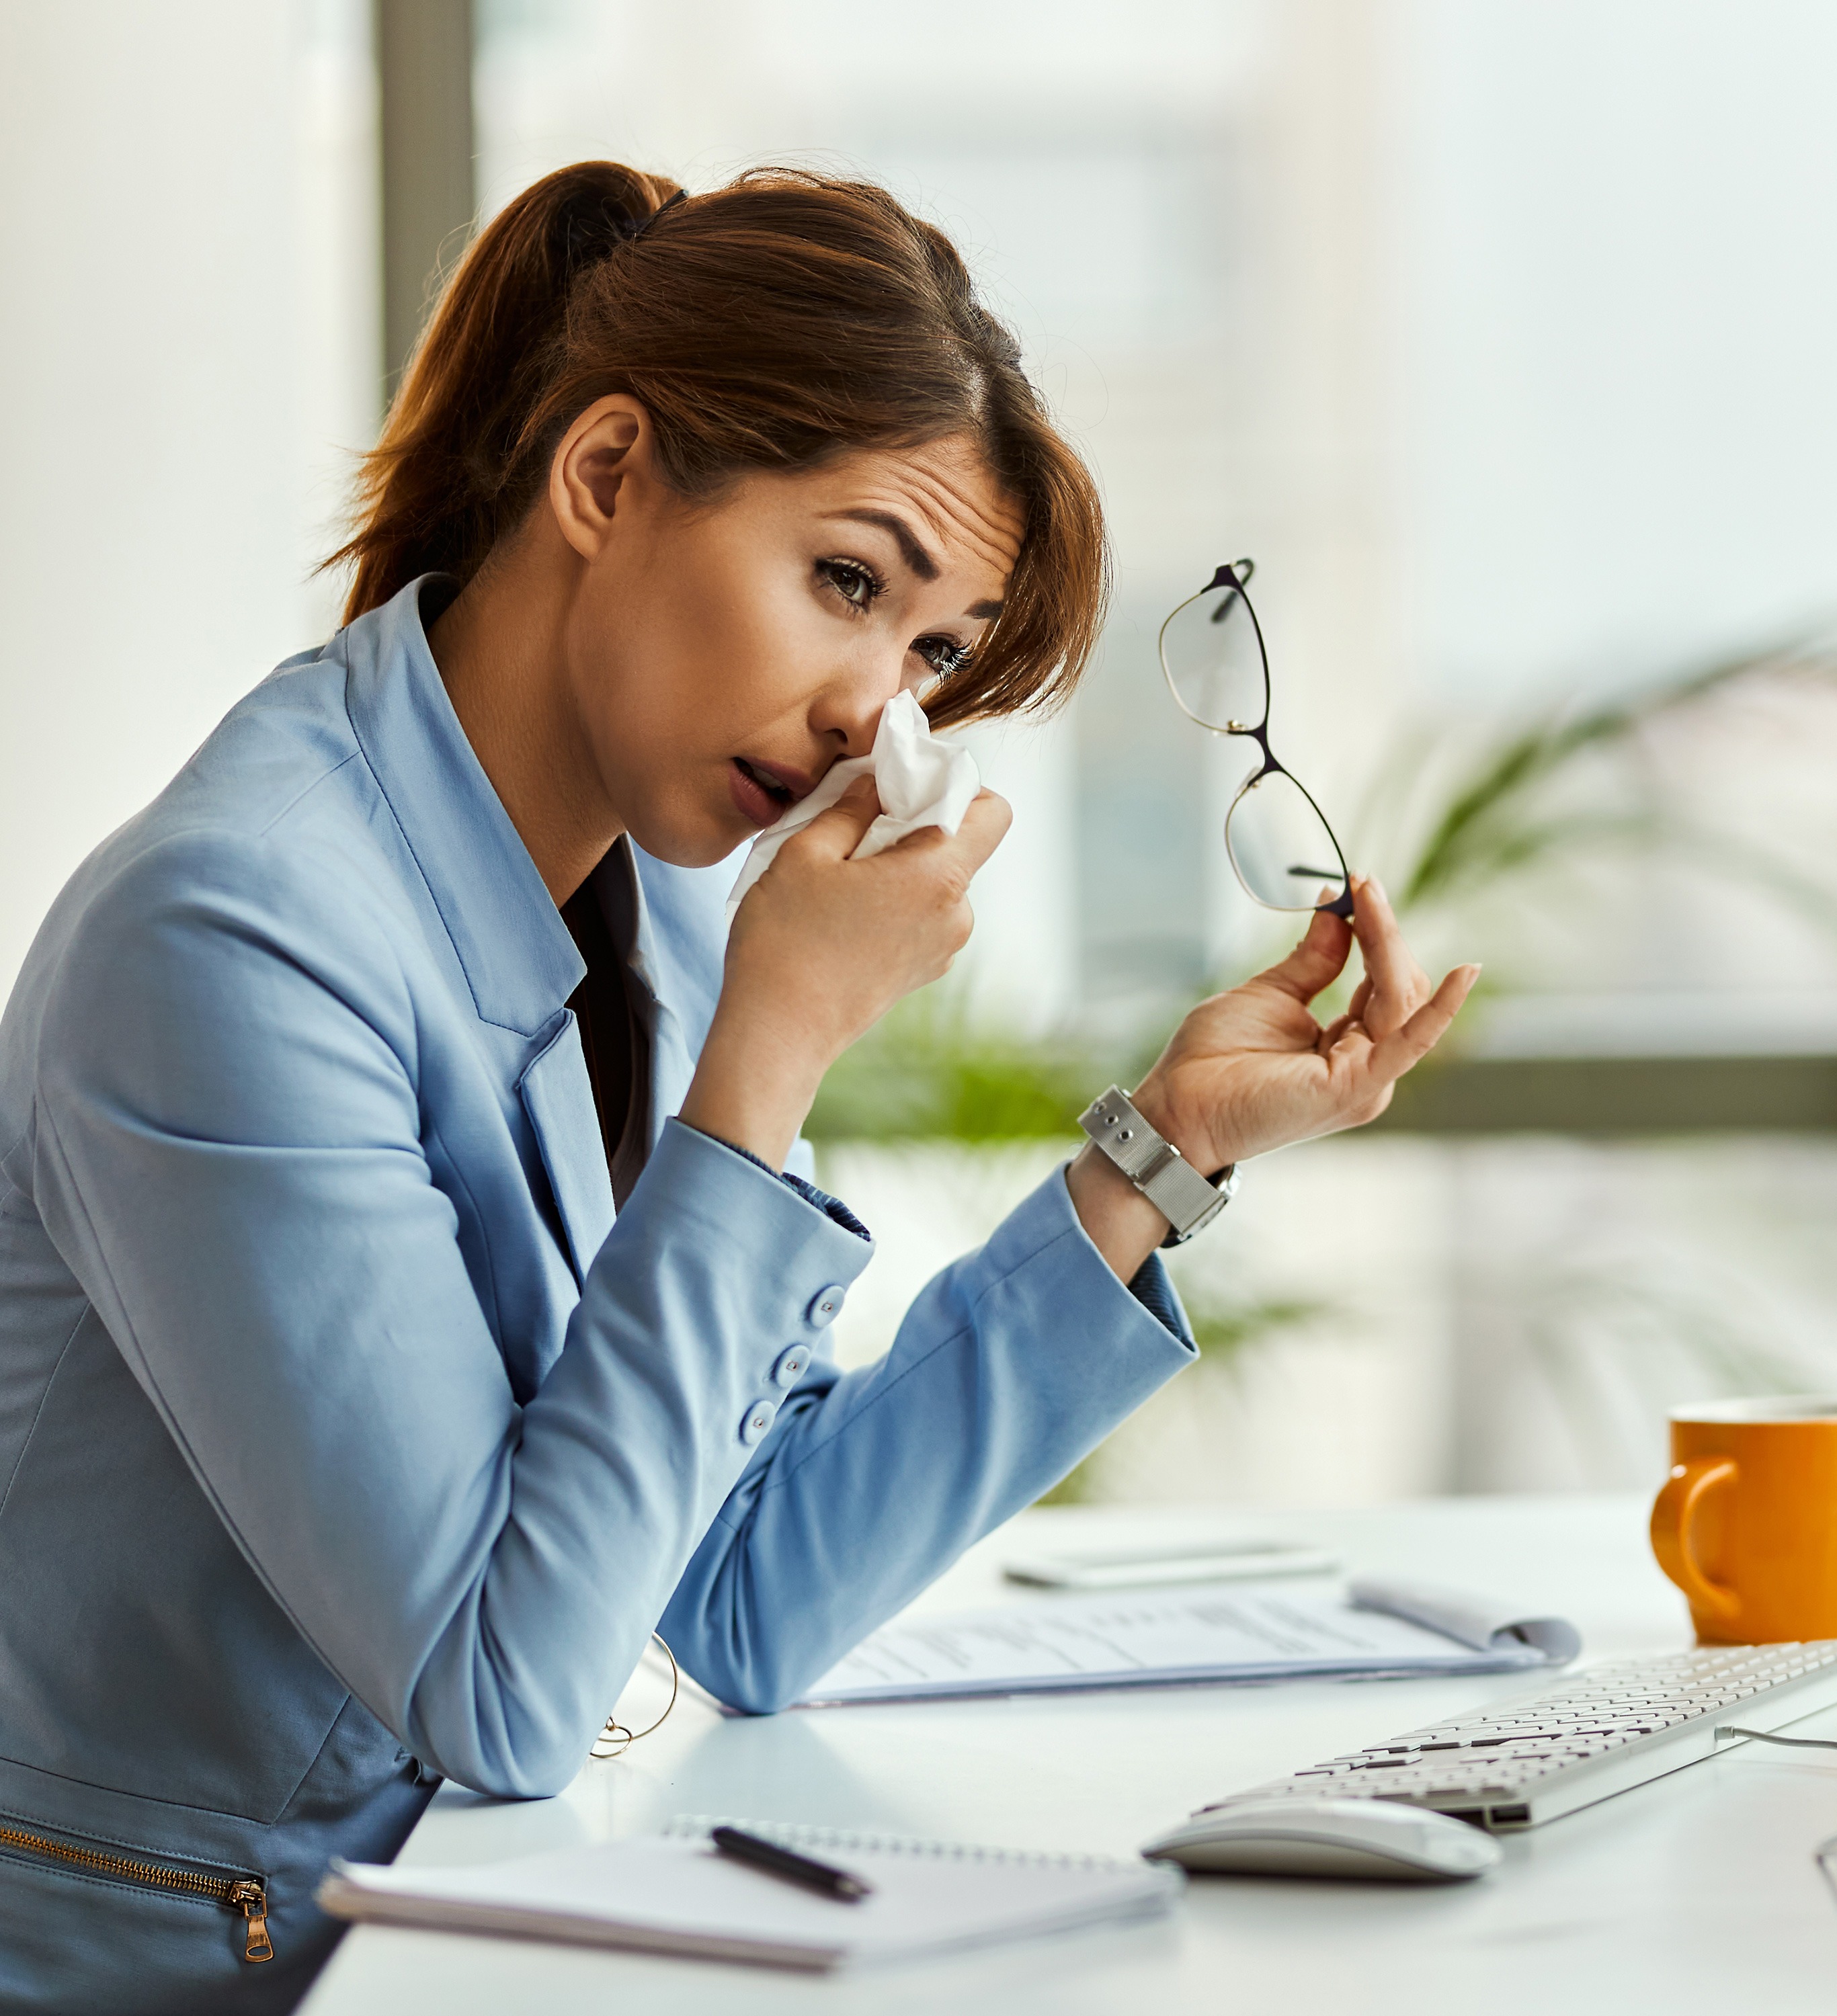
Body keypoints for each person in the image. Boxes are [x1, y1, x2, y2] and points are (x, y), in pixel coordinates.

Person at [0, 161, 1475, 2015]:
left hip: (450, 1937)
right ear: (606, 477)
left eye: (930, 650)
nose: (885, 714)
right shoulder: (234, 937)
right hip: (185, 1972)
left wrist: (1152, 1163)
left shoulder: (671, 902)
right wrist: (768, 1063)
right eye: (846, 581)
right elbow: (507, 1686)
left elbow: (748, 1586)